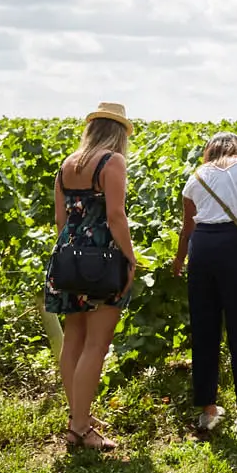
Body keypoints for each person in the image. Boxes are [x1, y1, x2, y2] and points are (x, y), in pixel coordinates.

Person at [46, 101, 140, 451]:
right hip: (103, 260)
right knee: (96, 344)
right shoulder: (112, 162)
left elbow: (61, 221)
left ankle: (78, 418)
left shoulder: (67, 165)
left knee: (73, 339)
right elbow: (116, 216)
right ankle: (81, 428)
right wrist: (130, 259)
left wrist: (73, 252)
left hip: (68, 257)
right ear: (118, 133)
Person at [173, 131, 237, 434]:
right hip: (235, 244)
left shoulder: (197, 176)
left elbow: (187, 228)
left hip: (201, 248)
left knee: (204, 328)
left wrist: (179, 260)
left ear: (209, 151)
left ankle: (208, 411)